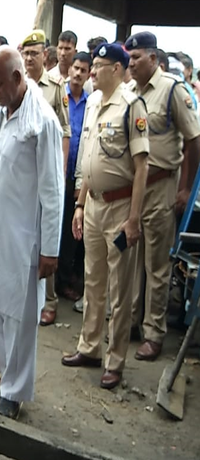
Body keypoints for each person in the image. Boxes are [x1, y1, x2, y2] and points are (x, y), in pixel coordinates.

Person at [0, 46, 63, 419]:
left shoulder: (43, 122)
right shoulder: (6, 111)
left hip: (24, 238)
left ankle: (15, 392)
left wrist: (50, 251)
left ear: (18, 79)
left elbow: (53, 192)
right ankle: (5, 372)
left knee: (20, 316)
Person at [62, 43, 149, 390]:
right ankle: (90, 347)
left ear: (117, 69)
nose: (92, 71)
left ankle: (115, 360)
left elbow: (142, 167)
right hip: (94, 204)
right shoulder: (96, 102)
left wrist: (134, 218)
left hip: (120, 207)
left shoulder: (132, 106)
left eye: (99, 66)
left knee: (119, 288)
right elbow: (89, 159)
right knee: (93, 279)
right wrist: (81, 204)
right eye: (92, 65)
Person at [125, 32, 200, 361]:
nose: (131, 63)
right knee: (129, 255)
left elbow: (194, 139)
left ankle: (154, 333)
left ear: (153, 59)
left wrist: (184, 187)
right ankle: (129, 321)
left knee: (156, 263)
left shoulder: (171, 89)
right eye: (129, 58)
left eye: (136, 57)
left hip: (161, 185)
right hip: (131, 190)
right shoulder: (129, 91)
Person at [20, 29, 70, 327]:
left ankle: (49, 301)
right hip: (25, 178)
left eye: (34, 53)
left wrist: (60, 171)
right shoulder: (19, 84)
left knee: (46, 237)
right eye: (25, 53)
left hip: (47, 174)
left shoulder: (54, 87)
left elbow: (64, 131)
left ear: (45, 56)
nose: (29, 58)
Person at [56, 52, 91, 303]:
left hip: (76, 178)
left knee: (71, 233)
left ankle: (64, 280)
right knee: (52, 228)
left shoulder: (91, 103)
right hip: (56, 171)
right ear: (70, 70)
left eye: (83, 70)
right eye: (75, 68)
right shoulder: (59, 96)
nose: (78, 73)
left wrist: (81, 184)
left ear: (89, 74)